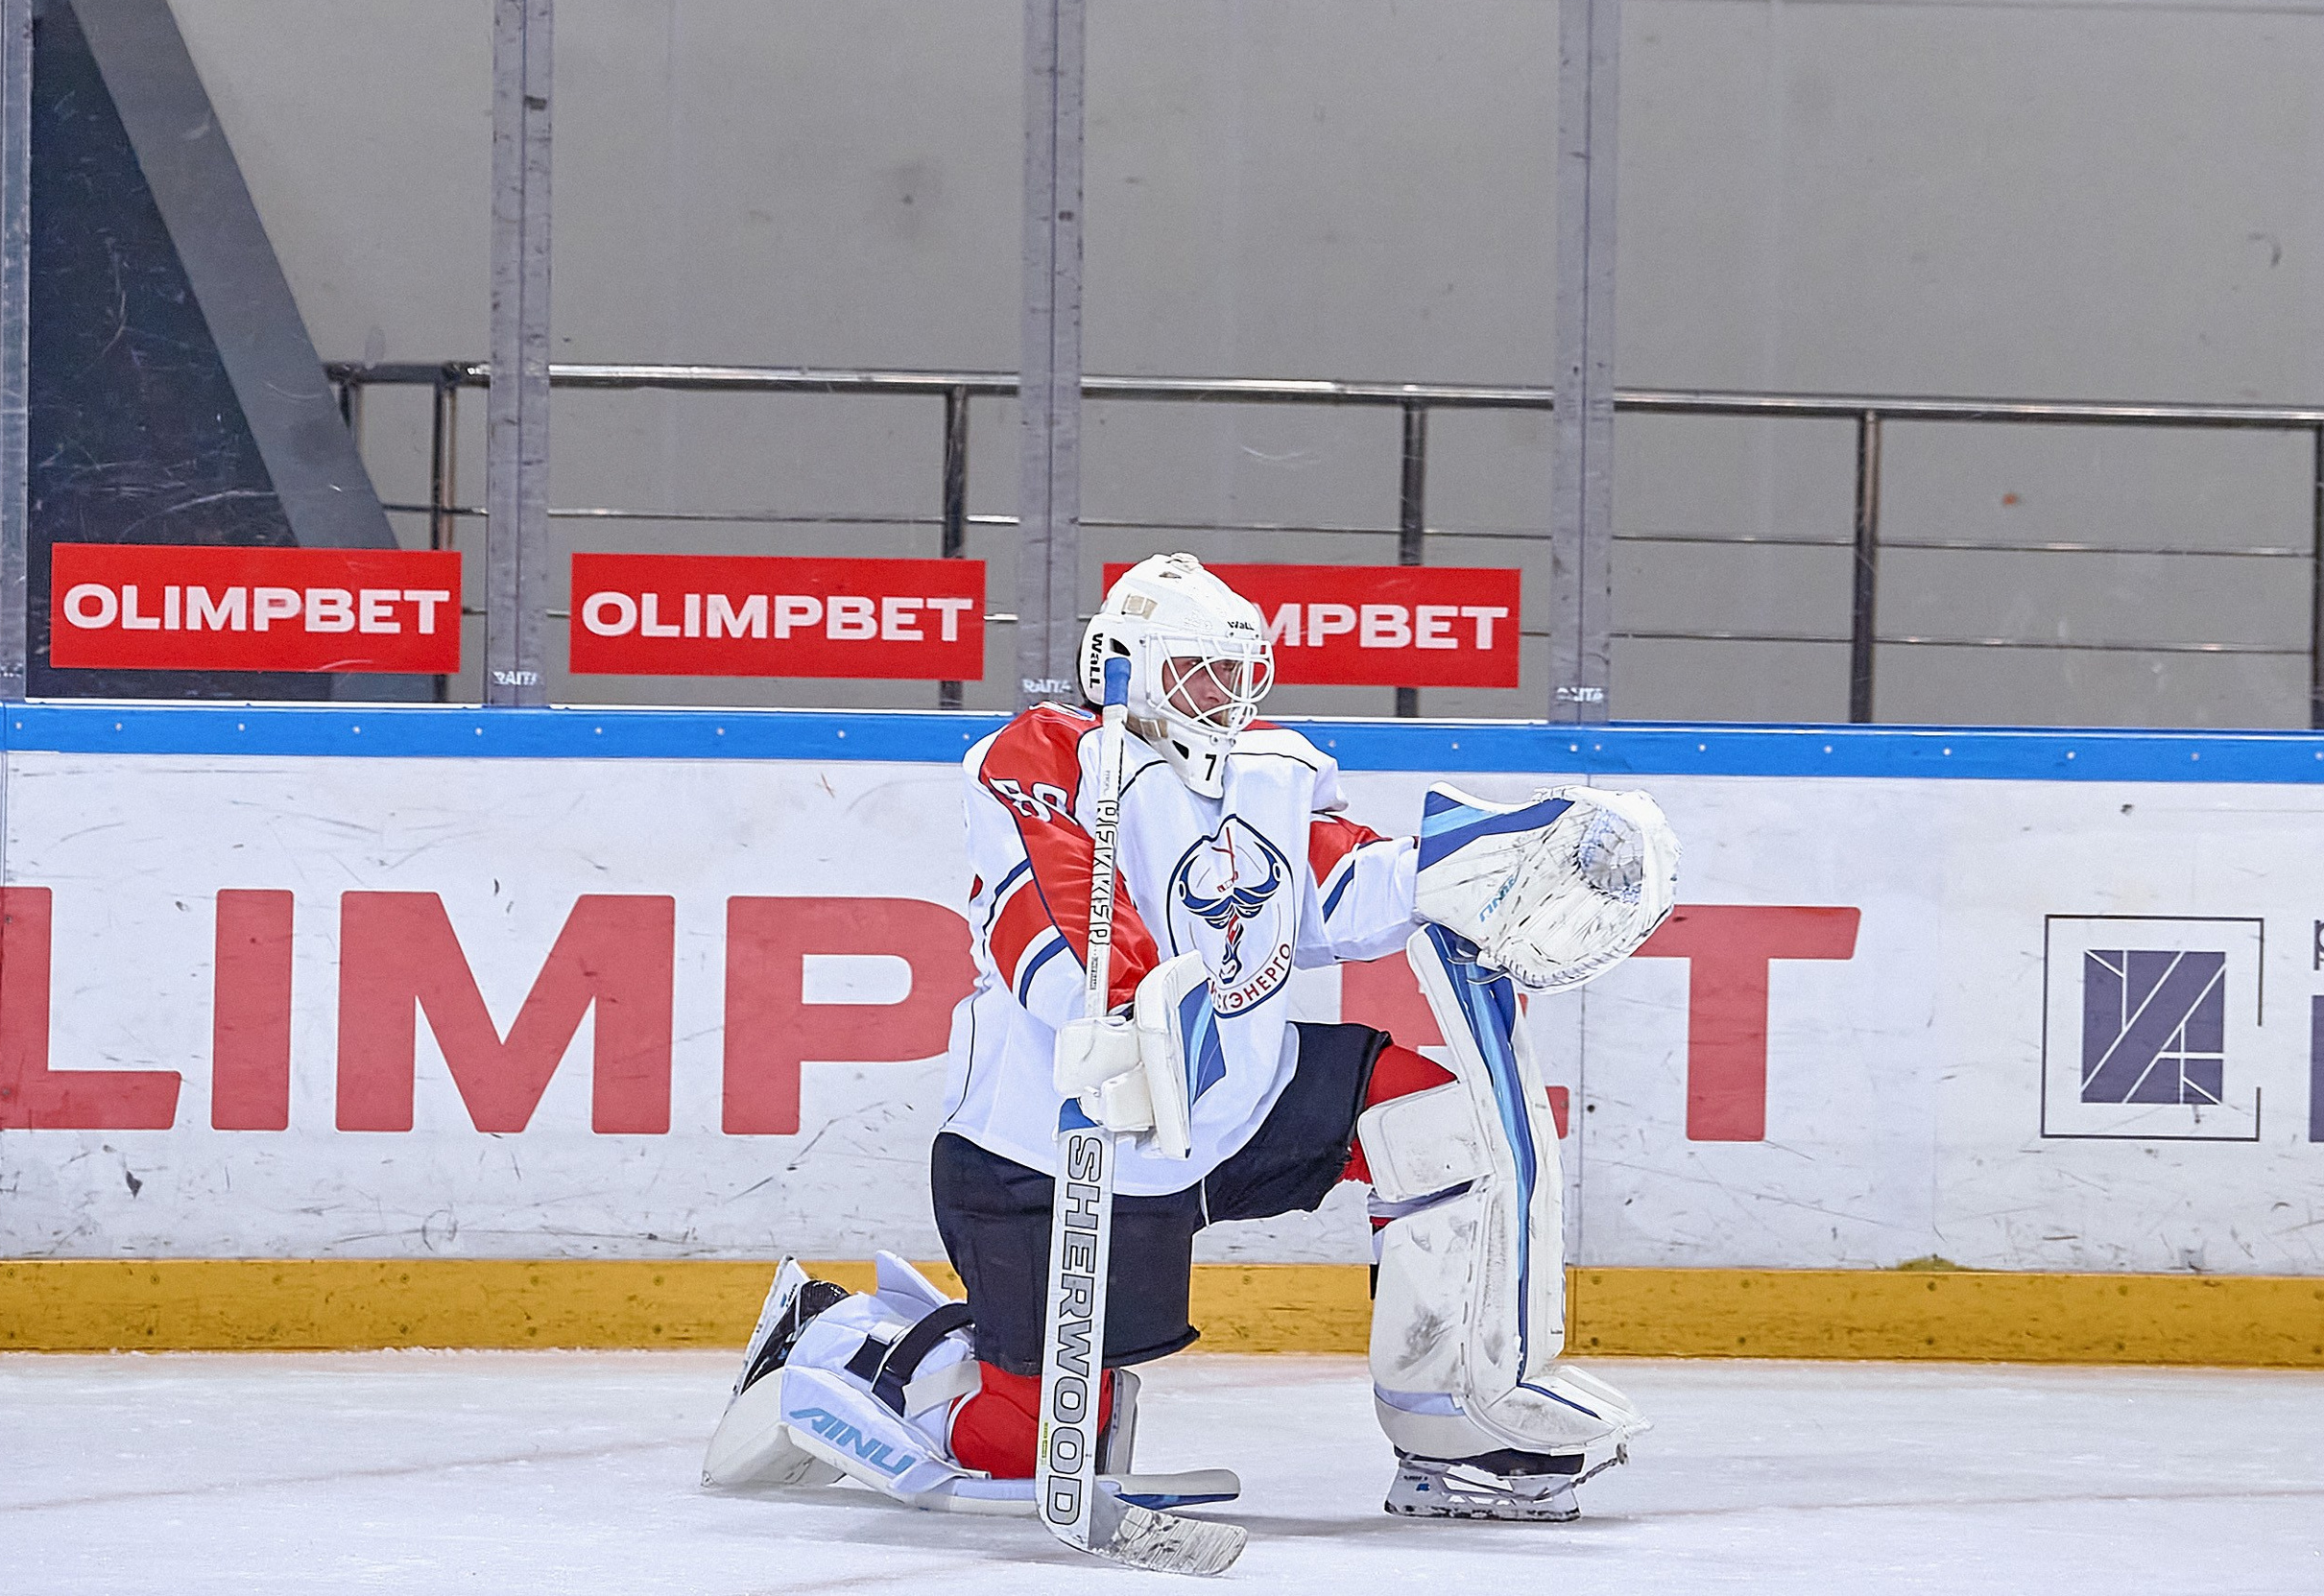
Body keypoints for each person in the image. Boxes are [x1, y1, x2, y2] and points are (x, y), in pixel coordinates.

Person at [703, 552, 1676, 1534]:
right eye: (1198, 670)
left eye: (1238, 672)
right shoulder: (1043, 758)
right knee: (1030, 1439)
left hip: (1232, 1101)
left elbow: (1337, 886)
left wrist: (1467, 870)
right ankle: (848, 1341)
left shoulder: (1270, 775)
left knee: (1435, 1115)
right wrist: (1124, 1012)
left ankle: (1450, 1422)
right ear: (1119, 667)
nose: (1225, 695)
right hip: (1050, 1145)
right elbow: (1045, 913)